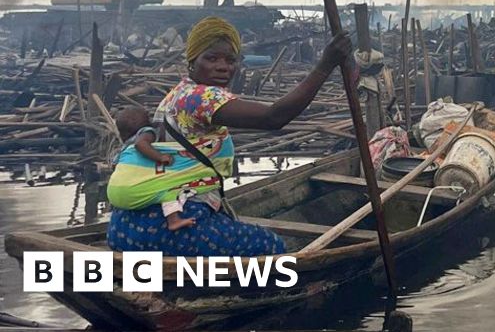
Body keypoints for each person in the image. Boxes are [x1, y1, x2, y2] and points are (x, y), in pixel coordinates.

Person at [106, 16, 353, 256]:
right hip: (165, 227)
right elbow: (274, 117)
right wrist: (325, 65)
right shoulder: (201, 97)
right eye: (211, 58)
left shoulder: (178, 94)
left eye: (230, 59)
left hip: (124, 227)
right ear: (192, 61)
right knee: (271, 247)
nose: (223, 66)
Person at [110, 107, 197, 231]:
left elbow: (116, 164)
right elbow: (141, 144)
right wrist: (160, 156)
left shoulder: (125, 145)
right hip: (138, 179)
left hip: (120, 184)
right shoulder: (147, 132)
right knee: (168, 188)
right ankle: (173, 220)